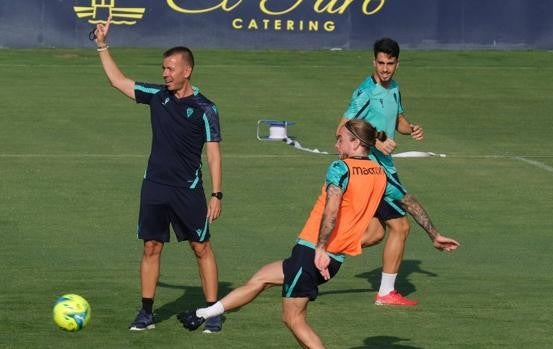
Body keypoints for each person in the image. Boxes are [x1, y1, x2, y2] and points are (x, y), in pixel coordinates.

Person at [177, 120, 459, 348]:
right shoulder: (380, 175)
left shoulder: (341, 168)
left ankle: (204, 313)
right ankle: (204, 313)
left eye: (340, 139)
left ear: (356, 144)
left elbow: (332, 209)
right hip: (322, 256)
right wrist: (434, 234)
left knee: (293, 319)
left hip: (314, 253)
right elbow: (410, 202)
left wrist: (321, 248)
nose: (336, 144)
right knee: (262, 278)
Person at [93, 17, 224, 332]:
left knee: (201, 247)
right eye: (164, 68)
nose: (165, 73)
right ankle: (147, 313)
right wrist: (101, 46)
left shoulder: (206, 108)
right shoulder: (157, 96)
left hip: (188, 189)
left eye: (170, 68)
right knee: (151, 246)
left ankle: (213, 311)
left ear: (186, 70)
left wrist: (216, 194)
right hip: (154, 186)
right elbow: (118, 82)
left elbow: (213, 153)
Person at [335, 37, 428, 306]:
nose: (385, 69)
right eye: (380, 63)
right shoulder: (365, 92)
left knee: (375, 234)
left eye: (390, 64)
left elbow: (397, 118)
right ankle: (386, 293)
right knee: (401, 226)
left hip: (386, 169)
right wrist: (375, 141)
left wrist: (411, 129)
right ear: (373, 61)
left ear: (398, 64)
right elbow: (343, 129)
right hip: (370, 172)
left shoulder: (395, 88)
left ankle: (323, 251)